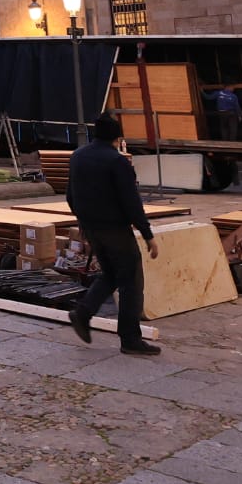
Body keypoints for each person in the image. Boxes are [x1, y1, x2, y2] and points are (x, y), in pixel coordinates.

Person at [65, 114, 162, 356]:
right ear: (118, 138)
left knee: (110, 273)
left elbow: (70, 195)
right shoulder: (117, 162)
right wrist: (148, 234)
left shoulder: (78, 157)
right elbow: (131, 203)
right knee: (131, 281)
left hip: (91, 227)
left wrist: (84, 222)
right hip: (115, 229)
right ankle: (130, 339)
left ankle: (83, 312)